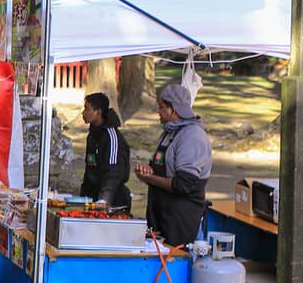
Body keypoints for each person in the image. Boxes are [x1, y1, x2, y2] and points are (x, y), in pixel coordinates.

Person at [134, 84, 213, 247]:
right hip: (159, 212)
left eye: (162, 107)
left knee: (174, 264)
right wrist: (149, 170)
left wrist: (149, 178)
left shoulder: (192, 137)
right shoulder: (169, 133)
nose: (158, 112)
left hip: (180, 218)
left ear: (174, 110)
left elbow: (183, 184)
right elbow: (160, 166)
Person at [79, 92, 132, 209]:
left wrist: (104, 199)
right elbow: (90, 169)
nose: (83, 113)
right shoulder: (92, 135)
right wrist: (83, 197)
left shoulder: (111, 136)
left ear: (98, 111)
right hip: (93, 196)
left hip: (112, 199)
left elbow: (114, 170)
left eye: (87, 109)